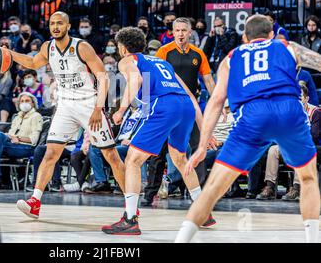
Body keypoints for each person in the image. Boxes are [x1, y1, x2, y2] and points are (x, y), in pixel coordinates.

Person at [176, 14, 321, 243]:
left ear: (245, 37)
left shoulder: (231, 58)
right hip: (288, 111)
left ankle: (181, 240)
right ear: (272, 34)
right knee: (308, 179)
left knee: (212, 188)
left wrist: (203, 146)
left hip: (252, 116)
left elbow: (215, 101)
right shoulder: (287, 46)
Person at [10, 12, 126, 219]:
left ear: (68, 25)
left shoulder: (81, 46)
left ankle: (131, 206)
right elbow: (33, 62)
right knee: (50, 153)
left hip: (88, 104)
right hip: (65, 106)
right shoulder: (47, 47)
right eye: (52, 23)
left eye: (60, 23)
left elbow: (103, 76)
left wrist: (99, 108)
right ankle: (35, 201)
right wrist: (9, 53)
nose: (55, 27)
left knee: (111, 155)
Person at [101, 27, 217, 235]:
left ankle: (130, 219)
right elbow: (190, 95)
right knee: (180, 158)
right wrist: (205, 130)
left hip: (165, 107)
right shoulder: (162, 62)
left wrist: (120, 110)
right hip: (185, 107)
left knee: (133, 161)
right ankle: (203, 212)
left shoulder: (128, 60)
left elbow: (135, 81)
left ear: (123, 47)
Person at [0, 92, 43, 189]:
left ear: (33, 103)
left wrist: (18, 138)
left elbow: (34, 139)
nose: (24, 103)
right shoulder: (17, 117)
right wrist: (9, 136)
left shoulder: (36, 116)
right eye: (22, 101)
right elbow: (11, 134)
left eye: (27, 101)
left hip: (27, 147)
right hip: (13, 146)